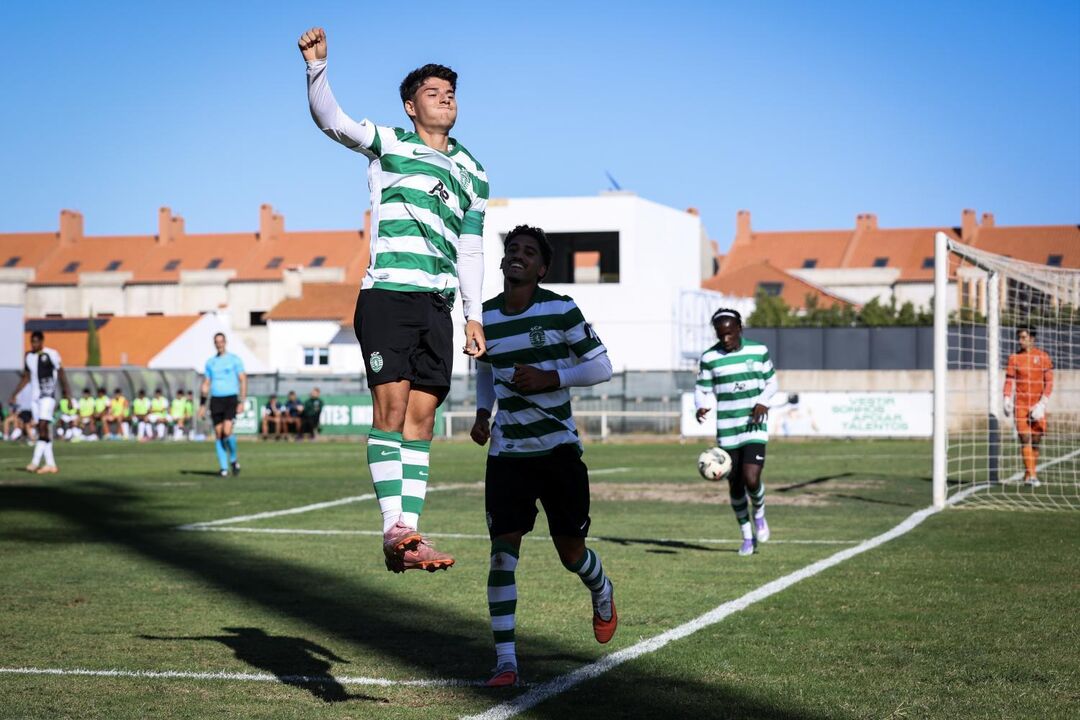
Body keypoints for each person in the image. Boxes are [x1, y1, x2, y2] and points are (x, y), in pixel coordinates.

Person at [299, 26, 489, 572]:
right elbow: (331, 120)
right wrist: (317, 69)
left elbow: (471, 248)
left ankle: (408, 539)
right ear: (410, 106)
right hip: (388, 297)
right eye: (433, 92)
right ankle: (395, 529)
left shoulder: (473, 171)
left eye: (451, 92)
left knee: (423, 422)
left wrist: (473, 317)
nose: (446, 97)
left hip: (438, 305)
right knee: (392, 409)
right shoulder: (390, 143)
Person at [470, 225, 616, 687]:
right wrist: (481, 412)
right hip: (507, 454)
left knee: (571, 554)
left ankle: (601, 588)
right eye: (512, 249)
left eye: (528, 252)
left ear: (541, 267)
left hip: (558, 451)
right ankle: (506, 662)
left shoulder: (561, 308)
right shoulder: (484, 316)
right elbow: (485, 370)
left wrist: (551, 379)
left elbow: (601, 365)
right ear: (502, 261)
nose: (518, 256)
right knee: (501, 557)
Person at [695, 308, 778, 557]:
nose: (726, 339)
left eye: (730, 334)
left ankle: (760, 514)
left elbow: (773, 382)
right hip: (727, 429)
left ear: (739, 328)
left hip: (753, 425)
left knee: (752, 478)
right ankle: (746, 537)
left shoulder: (759, 351)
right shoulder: (710, 358)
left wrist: (763, 400)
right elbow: (701, 388)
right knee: (736, 485)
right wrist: (700, 406)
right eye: (721, 336)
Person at [9, 331, 69, 473]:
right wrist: (15, 393)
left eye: (36, 341)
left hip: (48, 395)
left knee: (43, 425)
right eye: (32, 342)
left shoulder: (51, 354)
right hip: (35, 398)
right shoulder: (29, 357)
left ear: (42, 341)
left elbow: (61, 373)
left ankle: (35, 462)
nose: (34, 344)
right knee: (42, 430)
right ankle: (51, 464)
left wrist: (68, 394)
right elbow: (26, 377)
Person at [1003, 327, 1054, 486]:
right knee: (1025, 438)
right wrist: (1006, 398)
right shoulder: (1014, 358)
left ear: (1032, 338)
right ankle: (1032, 476)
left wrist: (1042, 403)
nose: (1020, 341)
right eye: (1019, 337)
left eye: (1023, 337)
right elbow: (1009, 380)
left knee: (1036, 440)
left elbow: (1049, 382)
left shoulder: (1043, 356)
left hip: (1038, 404)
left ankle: (1028, 473)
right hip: (1021, 405)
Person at [198, 332, 246, 477]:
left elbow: (243, 379)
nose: (219, 344)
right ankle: (223, 468)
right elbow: (206, 383)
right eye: (216, 342)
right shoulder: (210, 362)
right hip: (216, 399)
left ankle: (233, 459)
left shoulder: (234, 360)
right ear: (214, 344)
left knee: (227, 430)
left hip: (230, 398)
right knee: (218, 434)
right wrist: (202, 405)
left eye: (221, 341)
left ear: (225, 342)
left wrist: (242, 401)